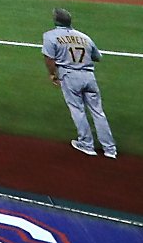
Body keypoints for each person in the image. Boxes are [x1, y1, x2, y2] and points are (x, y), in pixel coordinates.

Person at [41, 9, 116, 158]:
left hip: (70, 76)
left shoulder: (49, 36)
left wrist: (52, 74)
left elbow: (49, 58)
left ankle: (87, 144)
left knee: (77, 110)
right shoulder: (84, 37)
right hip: (89, 76)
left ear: (56, 21)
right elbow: (97, 57)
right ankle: (110, 149)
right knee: (98, 112)